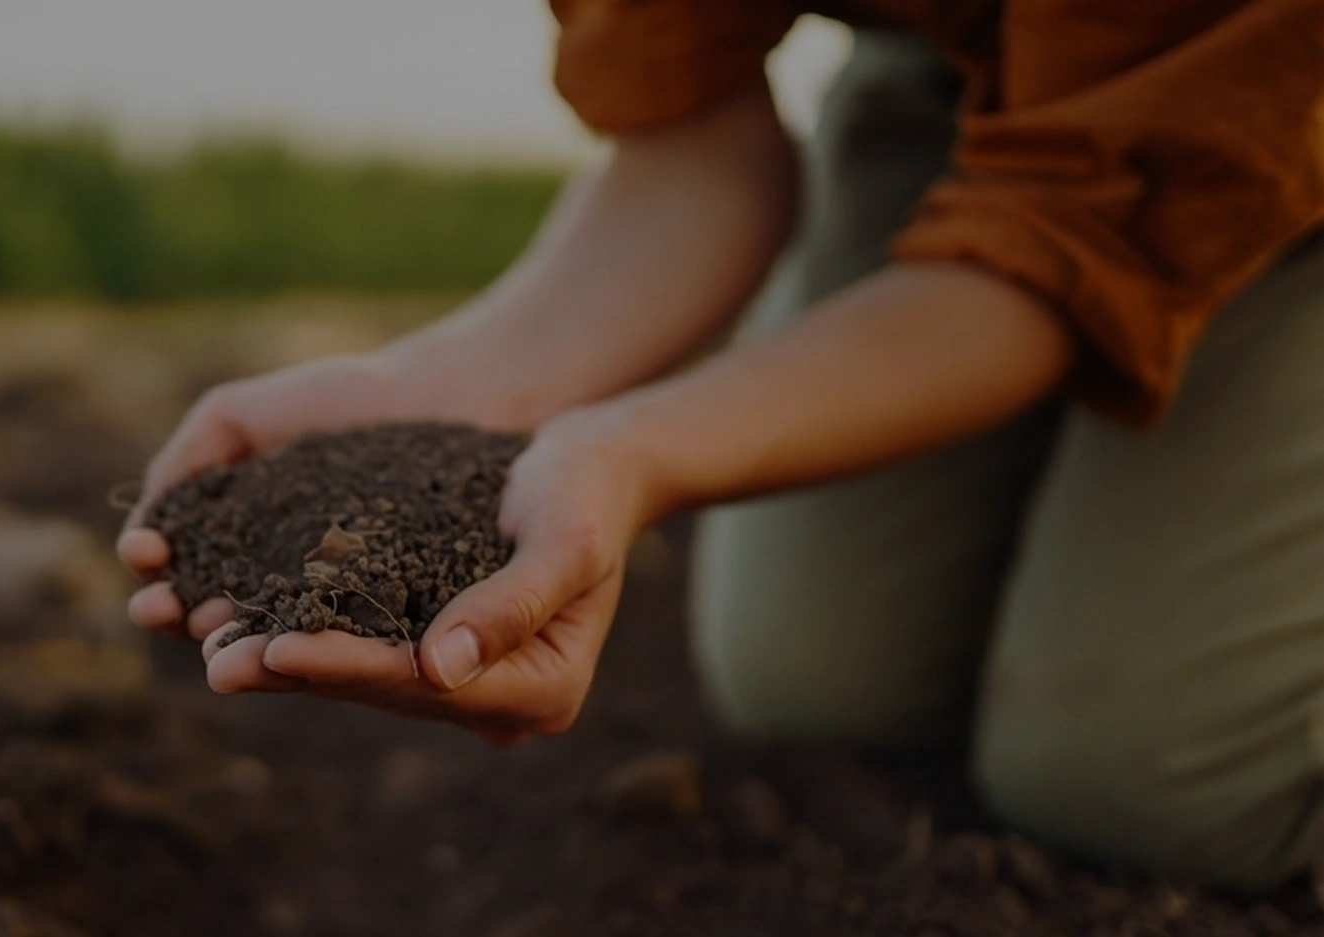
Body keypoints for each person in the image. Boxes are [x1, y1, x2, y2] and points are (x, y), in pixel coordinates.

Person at [117, 0, 1324, 888]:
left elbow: (1060, 252)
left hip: (1274, 82)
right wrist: (444, 386)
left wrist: (639, 451)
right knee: (818, 676)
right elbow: (690, 147)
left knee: (1144, 784)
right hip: (973, 68)